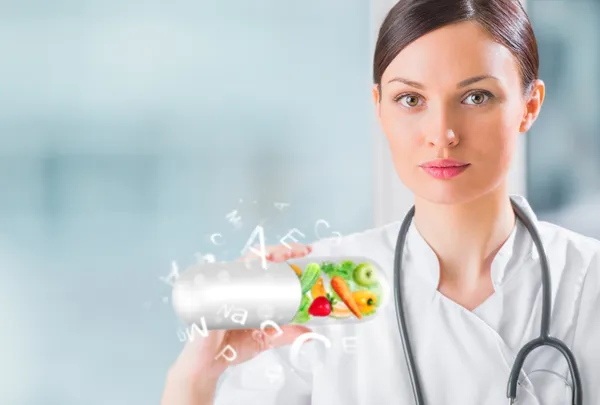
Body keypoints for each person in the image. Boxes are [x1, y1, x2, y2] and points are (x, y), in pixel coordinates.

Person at [160, 0, 600, 404]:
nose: (442, 132)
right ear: (379, 107)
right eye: (411, 99)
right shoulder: (326, 290)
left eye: (476, 97)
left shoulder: (588, 281)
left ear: (530, 105)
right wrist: (194, 377)